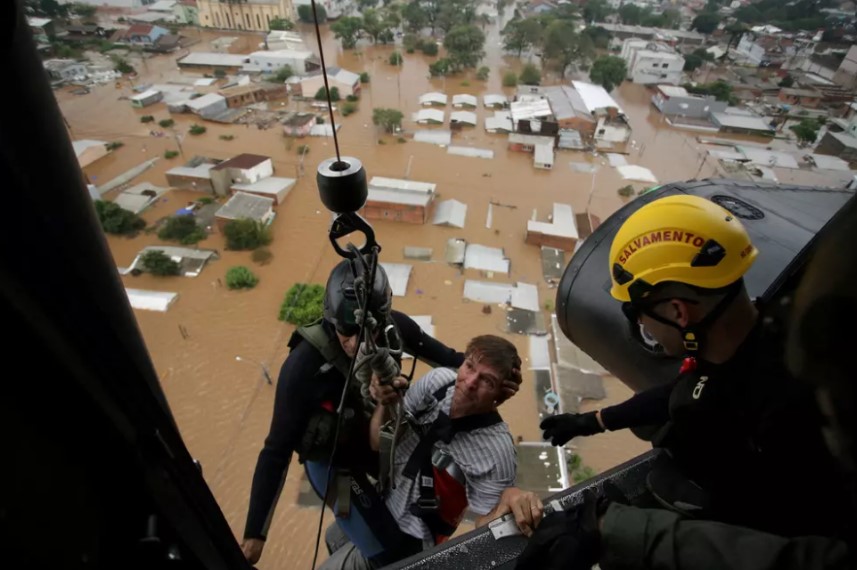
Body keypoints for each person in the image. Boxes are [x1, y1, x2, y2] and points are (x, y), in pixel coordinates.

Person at [509, 193, 857, 570]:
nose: (641, 325)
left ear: (678, 311)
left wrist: (618, 530)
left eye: (637, 311)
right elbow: (685, 389)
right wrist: (591, 422)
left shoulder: (788, 417)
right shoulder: (759, 338)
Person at [241, 259, 519, 564]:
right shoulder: (303, 368)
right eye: (348, 332)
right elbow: (275, 451)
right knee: (391, 554)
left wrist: (500, 382)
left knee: (367, 530)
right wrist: (256, 535)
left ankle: (344, 540)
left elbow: (454, 361)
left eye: (367, 331)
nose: (359, 342)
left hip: (377, 451)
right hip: (333, 465)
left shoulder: (394, 330)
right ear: (331, 321)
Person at [321, 335, 530, 569]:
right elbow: (377, 442)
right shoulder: (438, 383)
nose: (470, 382)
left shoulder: (496, 451)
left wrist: (509, 501)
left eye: (487, 382)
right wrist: (385, 401)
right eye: (469, 366)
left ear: (499, 397)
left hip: (408, 541)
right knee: (334, 537)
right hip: (379, 501)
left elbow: (486, 528)